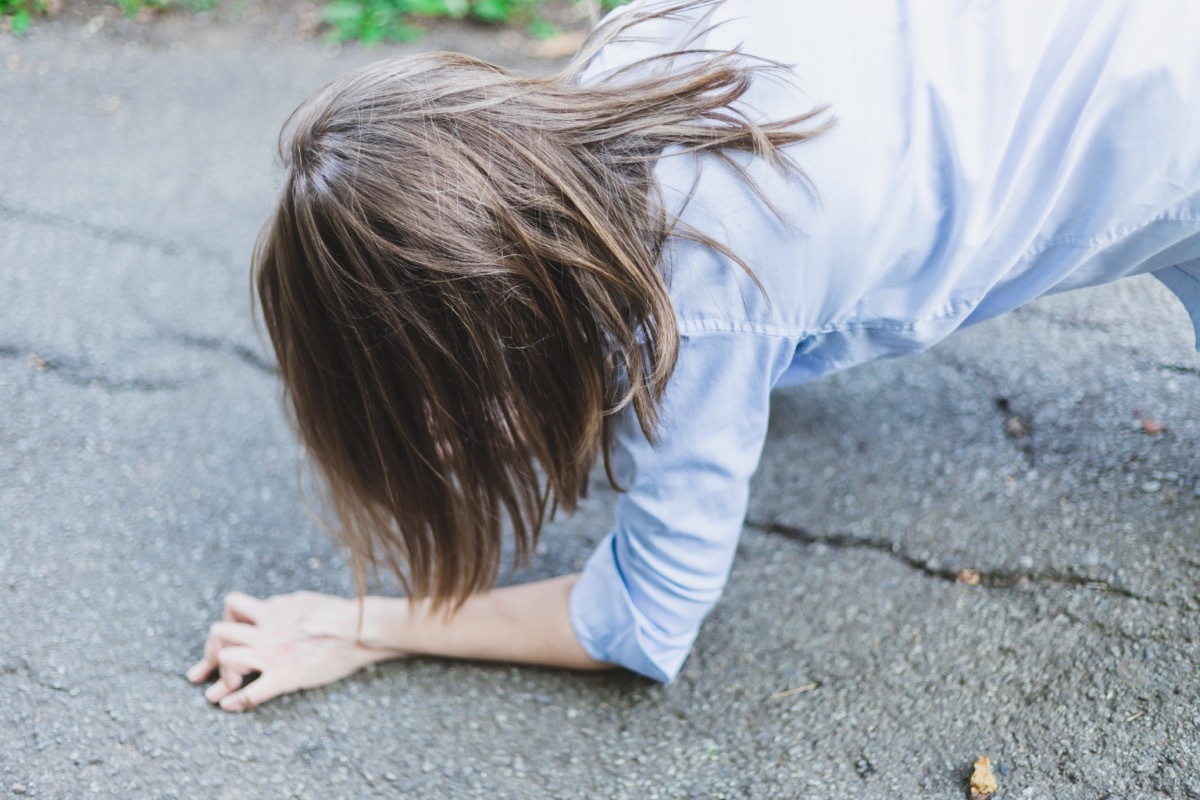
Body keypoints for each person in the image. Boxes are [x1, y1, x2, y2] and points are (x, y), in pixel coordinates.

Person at [188, 0, 1200, 712]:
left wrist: (363, 622)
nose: (439, 441)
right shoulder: (627, 62)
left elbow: (640, 616)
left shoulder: (701, 302)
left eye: (433, 402)